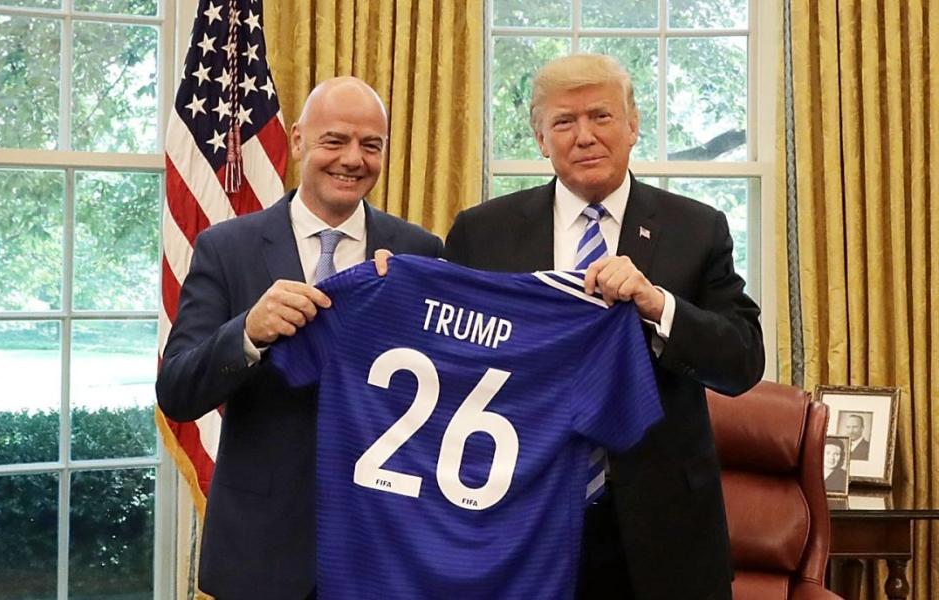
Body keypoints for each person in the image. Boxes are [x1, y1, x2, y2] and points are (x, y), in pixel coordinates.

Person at [444, 54, 765, 599]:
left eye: (601, 116)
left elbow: (741, 362)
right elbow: (449, 359)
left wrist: (657, 304)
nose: (584, 137)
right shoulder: (483, 233)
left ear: (634, 125)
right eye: (564, 122)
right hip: (518, 516)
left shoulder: (696, 228)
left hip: (662, 530)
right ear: (540, 138)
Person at [156, 76, 443, 600]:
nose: (352, 159)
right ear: (296, 141)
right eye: (334, 140)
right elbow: (176, 391)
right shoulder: (226, 248)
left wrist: (406, 311)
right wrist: (246, 333)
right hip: (258, 554)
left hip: (383, 551)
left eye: (370, 145)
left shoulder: (419, 252)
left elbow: (447, 393)